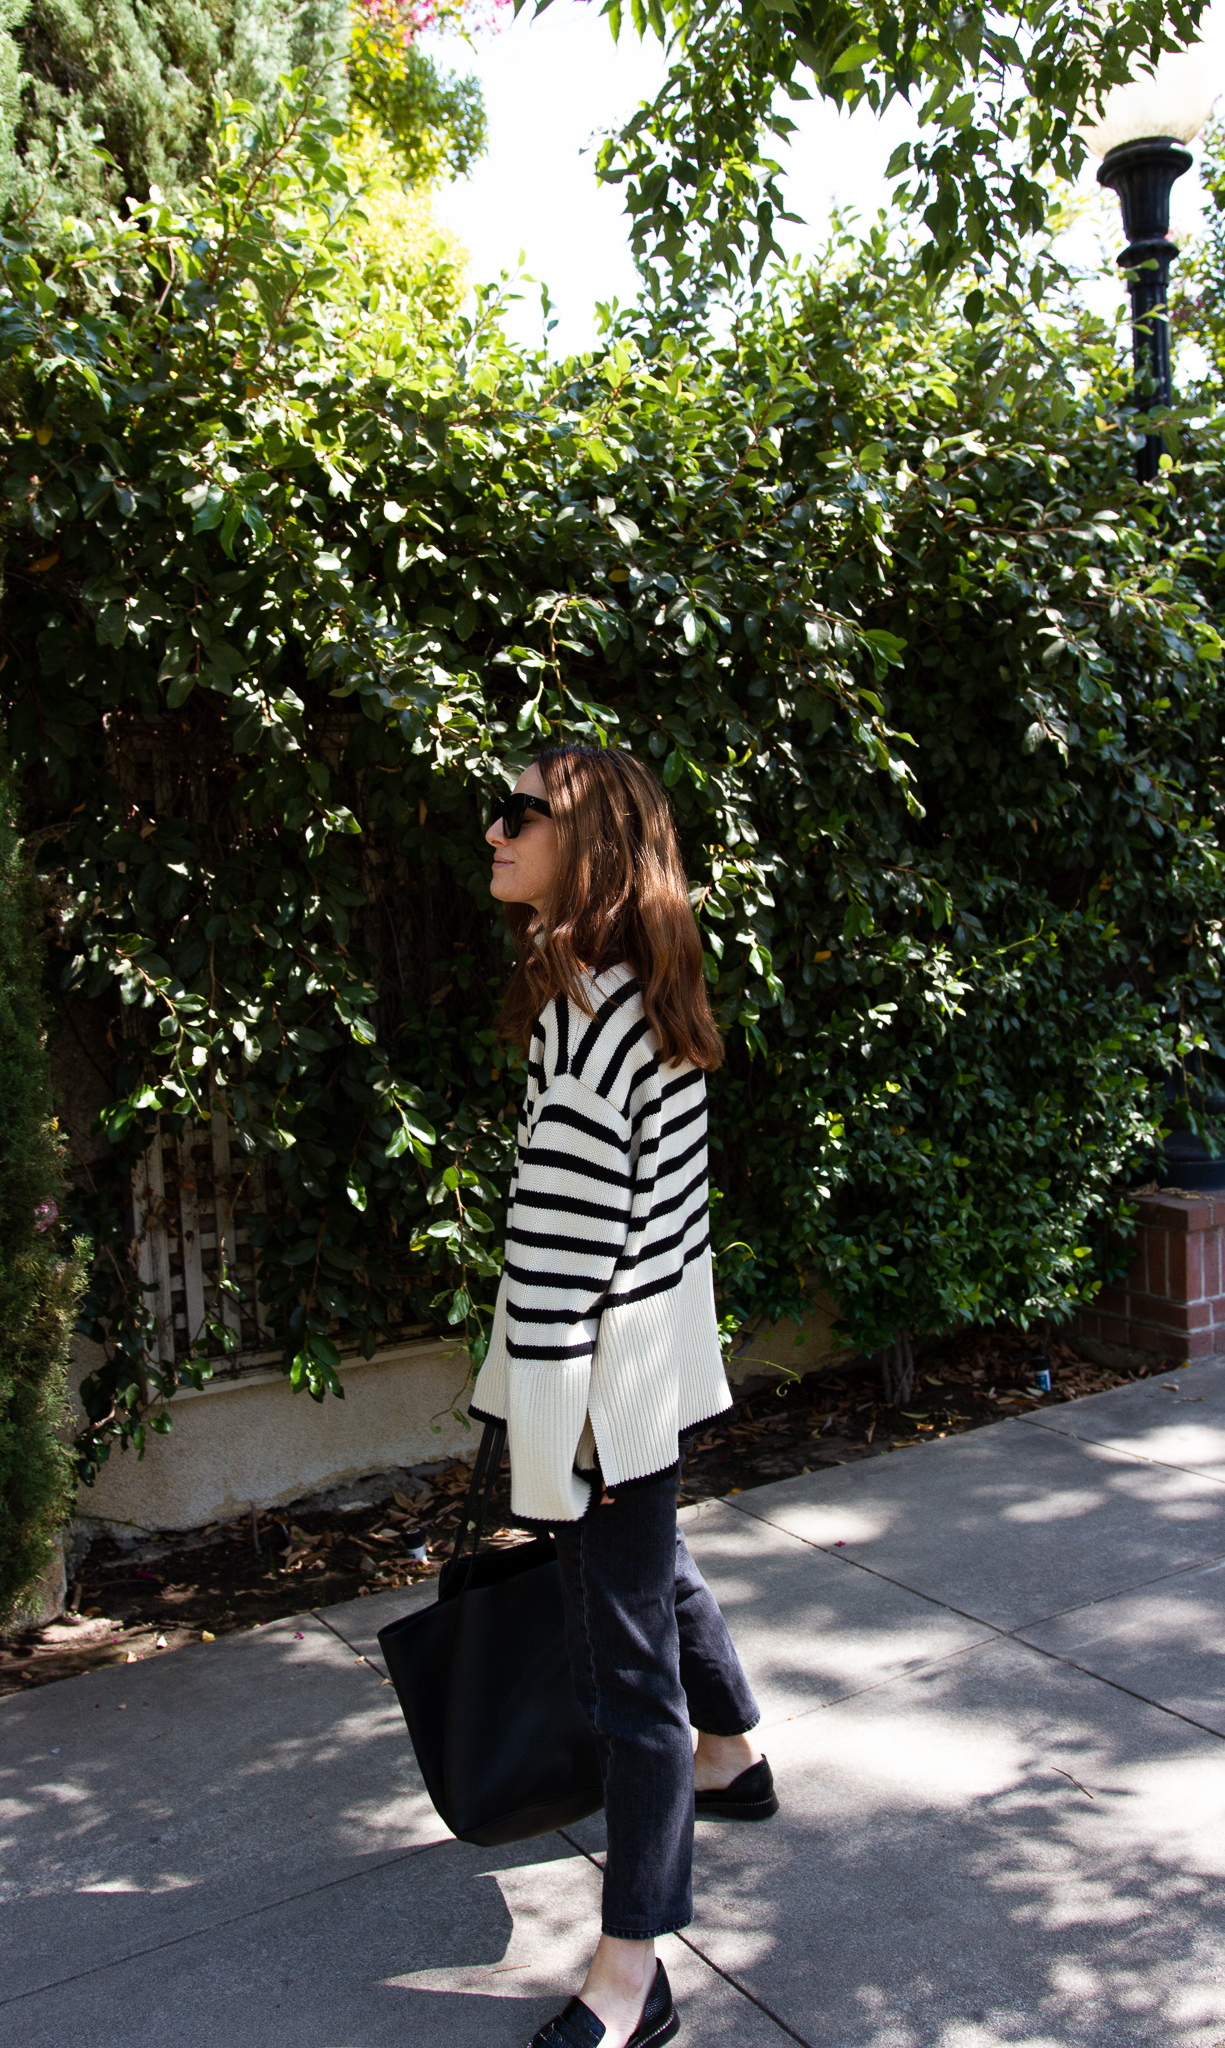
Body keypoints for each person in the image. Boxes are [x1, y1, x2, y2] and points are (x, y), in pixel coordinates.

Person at [471, 745, 776, 2048]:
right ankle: (736, 1756)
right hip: (637, 1365)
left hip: (593, 1380)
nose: (494, 831)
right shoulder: (631, 995)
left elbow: (561, 1256)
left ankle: (631, 1972)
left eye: (520, 813)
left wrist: (540, 1433)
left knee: (626, 1684)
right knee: (646, 1571)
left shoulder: (592, 1021)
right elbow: (652, 1227)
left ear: (585, 843)